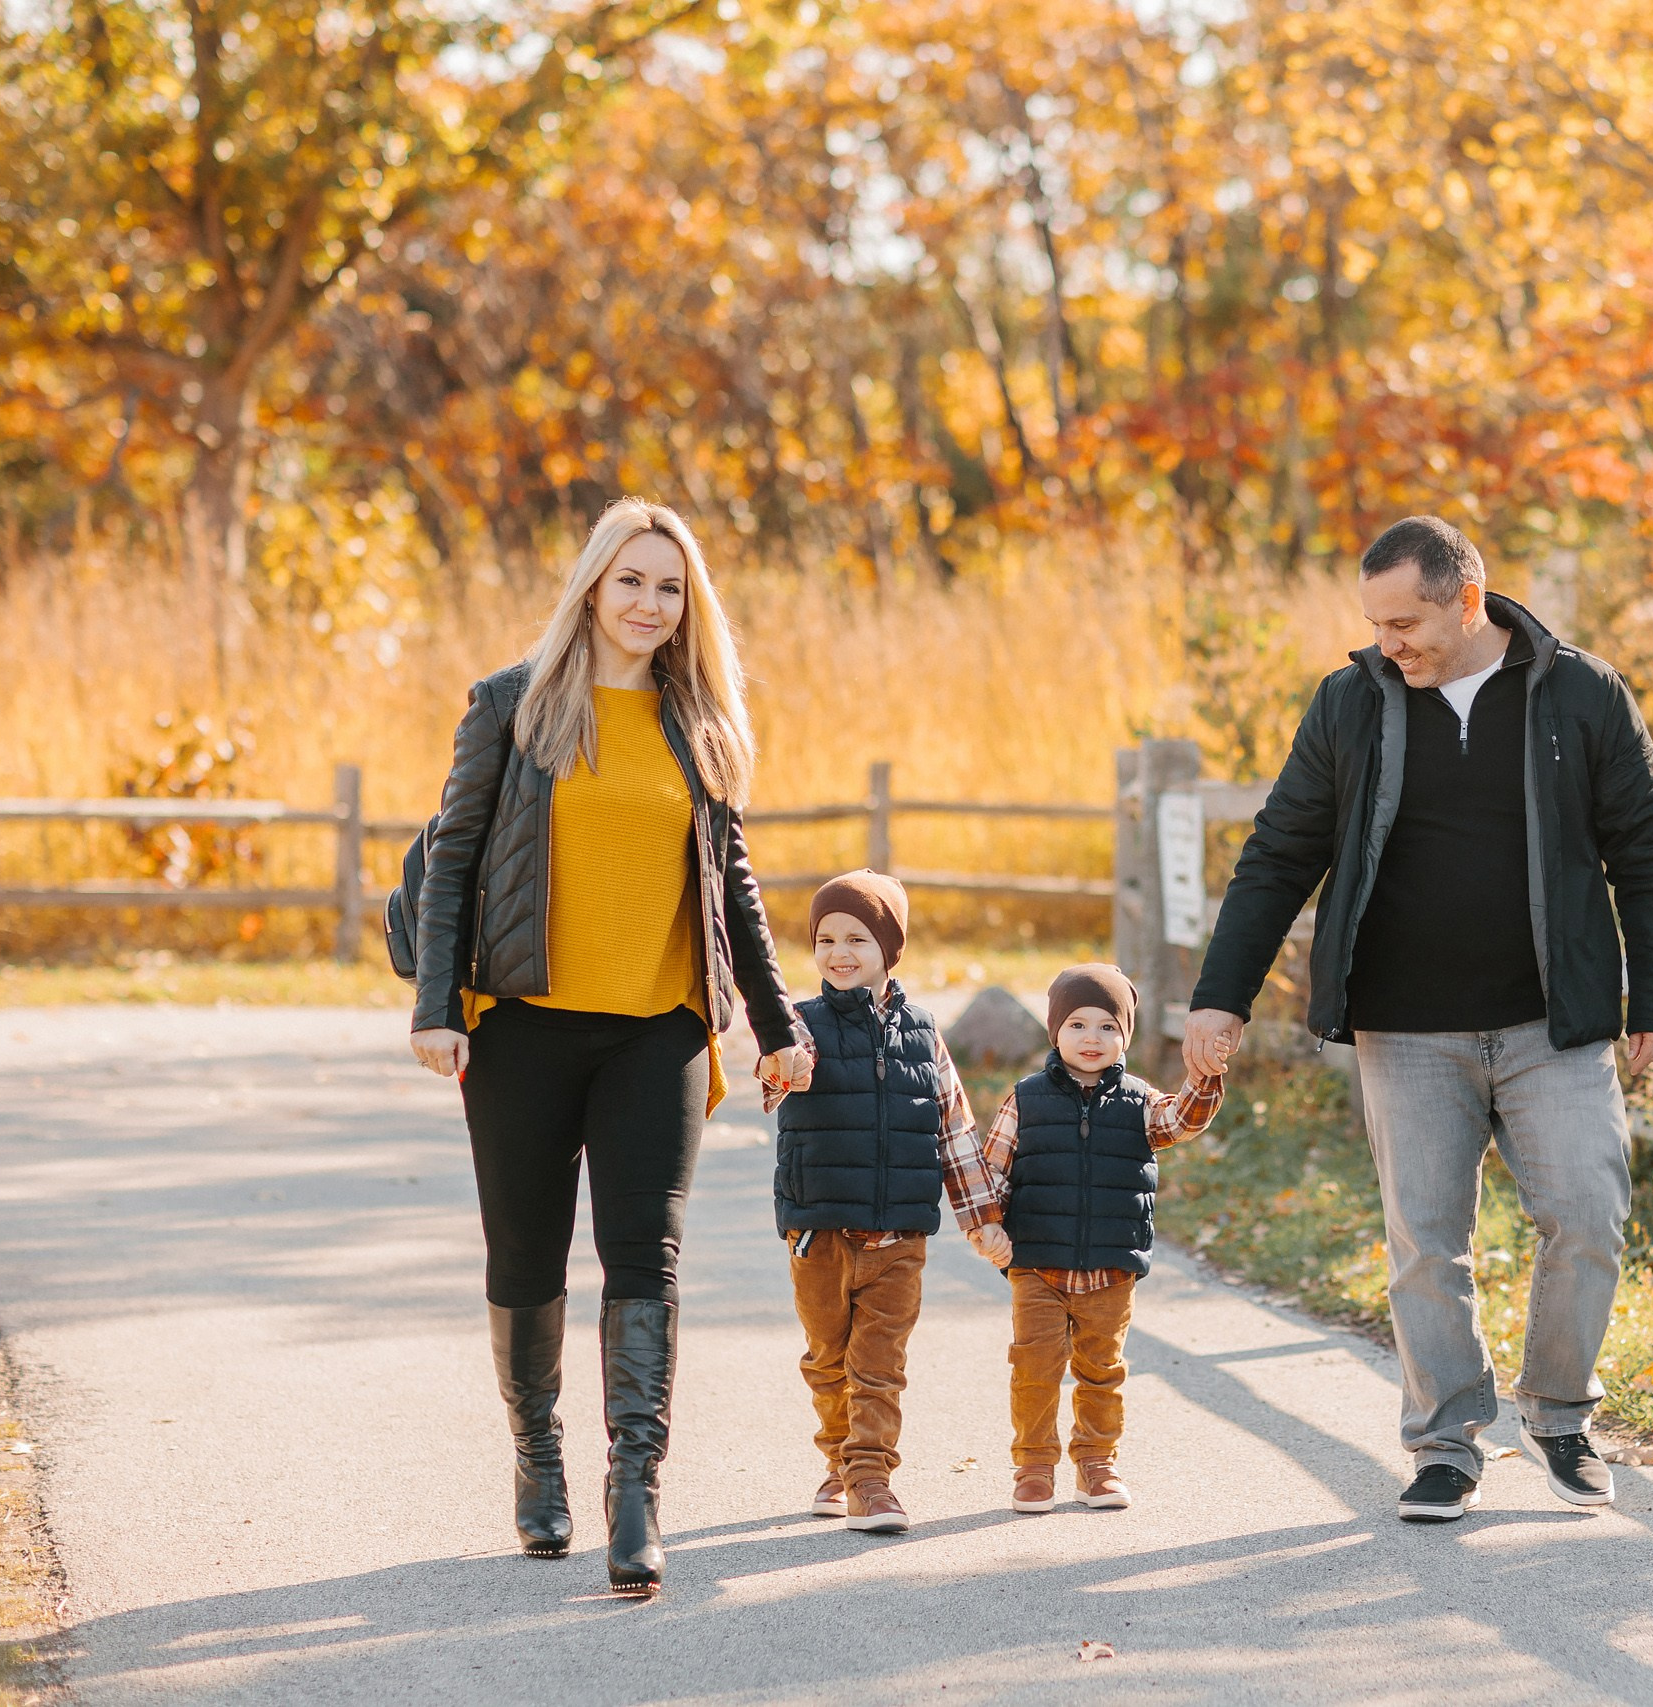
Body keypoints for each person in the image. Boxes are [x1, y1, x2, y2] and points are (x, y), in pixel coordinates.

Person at [1183, 515, 1653, 1523]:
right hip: (1405, 1028)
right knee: (1425, 1244)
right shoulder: (1349, 705)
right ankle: (1446, 1444)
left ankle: (1556, 1417)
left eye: (1406, 621)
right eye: (1375, 622)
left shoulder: (1579, 694)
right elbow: (1279, 853)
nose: (1389, 643)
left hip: (1556, 1024)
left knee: (1587, 1219)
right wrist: (1220, 994)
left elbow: (1648, 849)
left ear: (1468, 599)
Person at [408, 497, 811, 1595]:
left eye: (669, 587)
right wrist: (435, 1005)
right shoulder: (512, 706)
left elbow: (733, 887)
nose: (648, 603)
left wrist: (780, 1028)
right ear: (592, 584)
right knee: (526, 1259)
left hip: (659, 1033)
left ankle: (638, 1493)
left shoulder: (699, 724)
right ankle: (539, 1459)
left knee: (649, 1263)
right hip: (523, 1029)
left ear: (691, 608)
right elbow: (453, 863)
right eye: (629, 580)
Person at [957, 966, 1224, 1513]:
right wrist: (988, 1226)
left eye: (1108, 1027)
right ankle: (1033, 1467)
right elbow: (994, 1173)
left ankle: (1096, 1465)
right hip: (1037, 1265)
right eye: (1077, 1024)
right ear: (1055, 1030)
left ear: (1124, 1036)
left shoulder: (1138, 1101)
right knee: (1035, 1369)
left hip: (1110, 1266)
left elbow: (1181, 1122)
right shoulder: (1025, 1099)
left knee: (1103, 1371)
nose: (1092, 1038)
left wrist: (1206, 1076)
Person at [771, 870, 979, 1536]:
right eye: (826, 938)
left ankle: (870, 1478)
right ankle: (839, 1457)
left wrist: (984, 1220)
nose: (839, 952)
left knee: (879, 1365)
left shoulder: (923, 1033)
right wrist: (786, 1065)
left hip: (898, 1239)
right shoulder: (801, 1025)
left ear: (890, 947)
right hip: (820, 1232)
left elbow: (957, 1130)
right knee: (829, 1359)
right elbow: (778, 1072)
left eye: (857, 937)